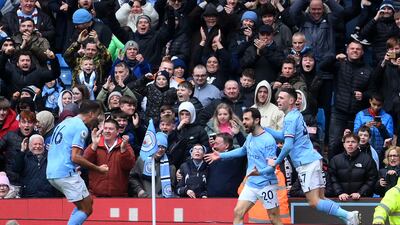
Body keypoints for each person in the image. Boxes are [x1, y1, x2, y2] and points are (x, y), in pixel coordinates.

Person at [265, 88, 361, 225]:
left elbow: (287, 145)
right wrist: (265, 129)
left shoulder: (291, 118)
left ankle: (348, 215)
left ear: (291, 100)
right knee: (321, 198)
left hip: (306, 163)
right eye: (278, 97)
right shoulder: (295, 115)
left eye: (281, 98)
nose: (278, 100)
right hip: (313, 159)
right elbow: (282, 136)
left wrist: (276, 162)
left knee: (313, 201)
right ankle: (348, 218)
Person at [205, 108, 282, 225]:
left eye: (247, 119)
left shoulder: (268, 140)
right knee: (238, 212)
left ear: (256, 120)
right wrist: (221, 155)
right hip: (251, 183)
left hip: (266, 184)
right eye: (243, 119)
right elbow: (242, 150)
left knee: (274, 218)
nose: (244, 122)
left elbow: (272, 167)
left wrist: (259, 173)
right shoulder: (250, 137)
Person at [46, 100, 108, 225]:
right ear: (91, 114)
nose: (97, 119)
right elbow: (75, 157)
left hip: (52, 172)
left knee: (87, 203)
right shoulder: (81, 127)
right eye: (97, 115)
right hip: (65, 172)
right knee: (86, 208)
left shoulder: (65, 122)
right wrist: (98, 169)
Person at [84, 119, 135, 197]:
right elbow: (85, 163)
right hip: (96, 196)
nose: (107, 131)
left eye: (111, 129)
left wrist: (123, 150)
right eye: (105, 128)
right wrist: (94, 145)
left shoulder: (125, 146)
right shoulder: (95, 144)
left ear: (117, 132)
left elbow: (129, 166)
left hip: (118, 197)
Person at [329, 133, 378, 201]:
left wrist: (360, 193)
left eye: (353, 142)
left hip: (362, 199)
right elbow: (332, 178)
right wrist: (340, 192)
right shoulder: (335, 160)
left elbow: (372, 179)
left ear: (358, 144)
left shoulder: (367, 159)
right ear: (344, 145)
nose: (350, 144)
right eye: (347, 142)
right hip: (340, 198)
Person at [129, 132, 176, 197]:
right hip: (143, 199)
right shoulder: (142, 160)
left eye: (163, 147)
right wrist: (139, 190)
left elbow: (171, 186)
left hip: (162, 201)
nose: (160, 149)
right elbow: (132, 177)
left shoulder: (170, 166)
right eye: (158, 146)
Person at [207, 133, 246, 197]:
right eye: (214, 143)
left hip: (230, 198)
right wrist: (209, 146)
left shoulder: (236, 157)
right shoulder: (211, 156)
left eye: (217, 143)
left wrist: (238, 134)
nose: (214, 146)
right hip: (211, 198)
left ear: (226, 145)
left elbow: (247, 149)